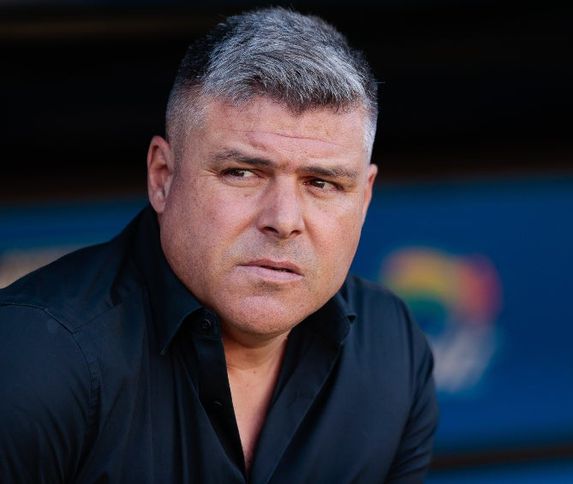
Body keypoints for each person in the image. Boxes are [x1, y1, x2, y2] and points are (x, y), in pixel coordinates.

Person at [0, 7, 438, 483]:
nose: (283, 221)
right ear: (162, 177)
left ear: (365, 198)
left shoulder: (392, 348)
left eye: (322, 183)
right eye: (242, 173)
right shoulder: (35, 361)